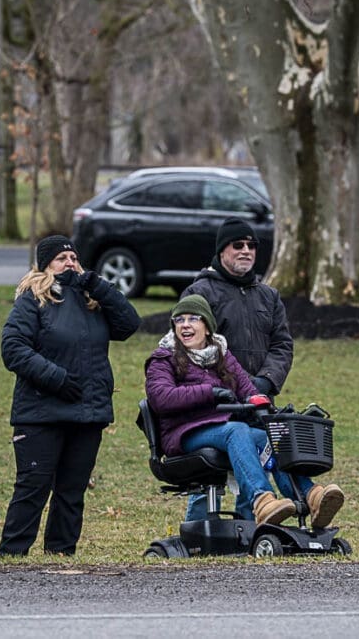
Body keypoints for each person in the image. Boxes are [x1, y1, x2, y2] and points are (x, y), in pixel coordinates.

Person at [145, 294, 344, 527]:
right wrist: (210, 392)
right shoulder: (163, 359)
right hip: (184, 433)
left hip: (221, 428)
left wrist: (265, 408)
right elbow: (161, 398)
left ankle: (311, 496)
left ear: (207, 327)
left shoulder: (221, 354)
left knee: (271, 436)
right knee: (237, 430)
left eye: (193, 319)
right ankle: (262, 501)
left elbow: (248, 389)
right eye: (179, 320)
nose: (185, 325)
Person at [0, 235, 141, 556]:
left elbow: (130, 324)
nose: (70, 263)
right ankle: (12, 555)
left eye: (74, 257)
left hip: (87, 413)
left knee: (72, 492)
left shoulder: (93, 301)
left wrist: (100, 287)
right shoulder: (32, 301)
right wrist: (56, 379)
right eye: (61, 258)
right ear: (45, 265)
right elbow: (13, 349)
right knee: (32, 488)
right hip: (41, 412)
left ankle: (61, 553)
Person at [180, 217, 294, 520]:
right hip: (215, 402)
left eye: (251, 245)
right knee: (209, 482)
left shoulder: (268, 296)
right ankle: (198, 530)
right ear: (221, 251)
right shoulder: (200, 292)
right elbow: (190, 347)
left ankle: (250, 529)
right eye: (238, 245)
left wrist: (265, 382)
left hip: (258, 399)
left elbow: (282, 345)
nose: (246, 251)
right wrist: (230, 386)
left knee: (260, 458)